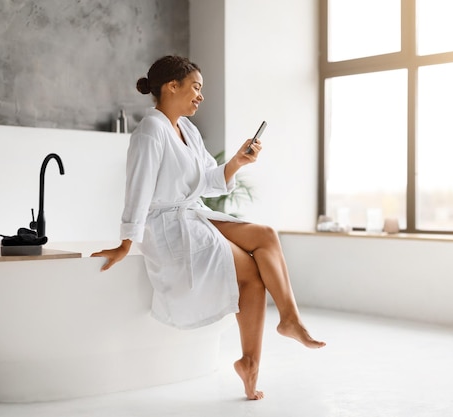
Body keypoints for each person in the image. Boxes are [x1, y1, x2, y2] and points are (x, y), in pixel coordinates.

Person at [91, 55, 325, 400]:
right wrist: (127, 242)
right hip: (169, 225)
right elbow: (138, 189)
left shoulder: (187, 129)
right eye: (196, 88)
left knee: (266, 235)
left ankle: (289, 318)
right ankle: (251, 362)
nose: (201, 96)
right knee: (251, 274)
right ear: (173, 86)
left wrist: (237, 162)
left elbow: (207, 180)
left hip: (191, 212)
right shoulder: (150, 132)